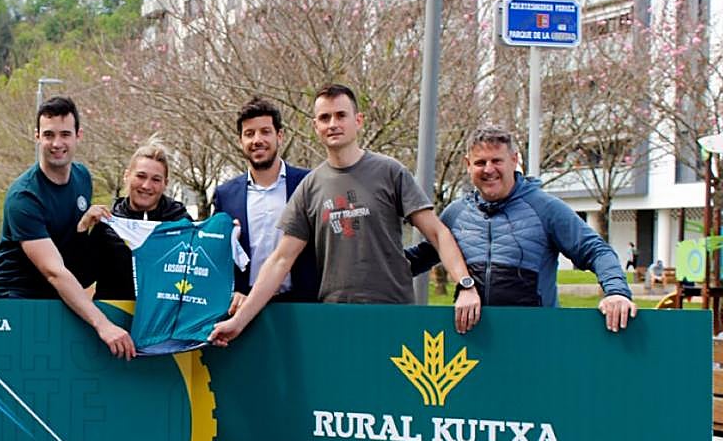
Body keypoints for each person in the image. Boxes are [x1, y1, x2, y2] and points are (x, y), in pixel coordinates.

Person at [209, 84, 481, 346]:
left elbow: (437, 232)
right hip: (334, 318)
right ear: (316, 126)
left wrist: (465, 285)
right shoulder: (310, 186)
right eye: (324, 118)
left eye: (341, 115)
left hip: (393, 312)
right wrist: (239, 321)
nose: (333, 124)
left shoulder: (390, 172)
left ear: (358, 121)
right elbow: (281, 259)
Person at [405, 126, 635, 332]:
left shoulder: (546, 208)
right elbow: (419, 258)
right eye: (480, 162)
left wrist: (616, 292)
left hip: (535, 337)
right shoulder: (455, 214)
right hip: (474, 341)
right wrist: (371, 262)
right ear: (467, 165)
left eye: (497, 161)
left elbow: (596, 251)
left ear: (514, 160)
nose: (488, 169)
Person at [0, 96, 136, 359]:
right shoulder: (23, 197)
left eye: (65, 134)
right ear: (37, 137)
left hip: (59, 294)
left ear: (78, 135)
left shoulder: (82, 177)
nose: (57, 143)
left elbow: (70, 251)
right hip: (19, 300)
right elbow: (54, 271)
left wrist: (83, 226)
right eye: (48, 135)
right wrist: (103, 324)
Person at [212, 97, 317, 308]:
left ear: (280, 136)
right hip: (244, 307)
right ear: (240, 141)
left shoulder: (309, 183)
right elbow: (217, 254)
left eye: (265, 132)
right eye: (249, 134)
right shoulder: (225, 195)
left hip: (303, 306)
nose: (257, 140)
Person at [77, 139, 191, 300]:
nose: (146, 185)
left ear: (166, 183)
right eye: (141, 176)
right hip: (113, 317)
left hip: (162, 319)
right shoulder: (108, 222)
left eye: (156, 179)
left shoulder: (181, 222)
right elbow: (82, 278)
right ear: (127, 176)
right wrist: (82, 229)